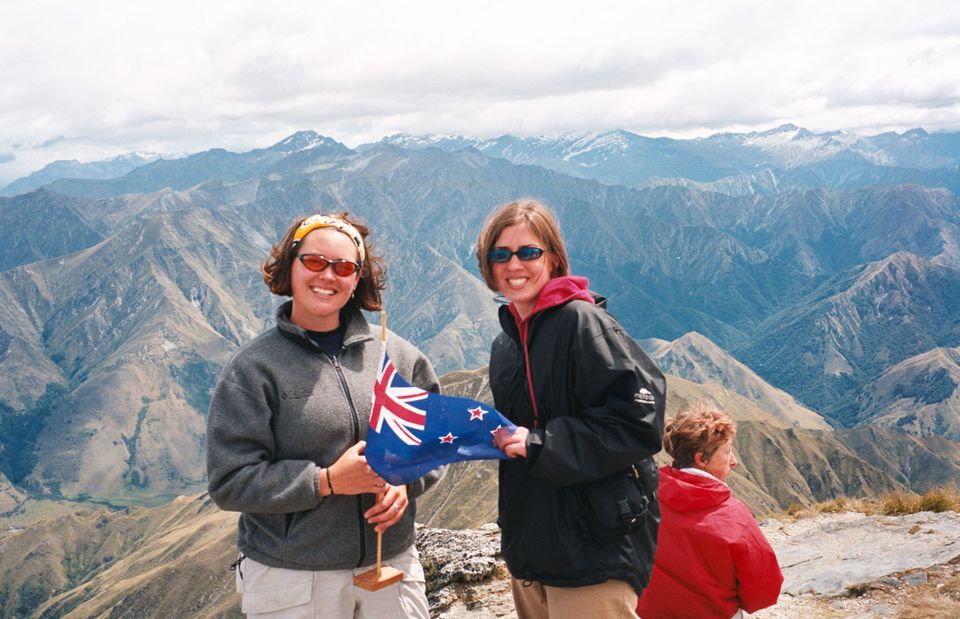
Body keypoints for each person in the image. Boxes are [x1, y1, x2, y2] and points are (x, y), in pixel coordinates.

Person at [206, 213, 442, 618]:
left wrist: (406, 481)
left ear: (357, 279)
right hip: (292, 580)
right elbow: (230, 481)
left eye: (344, 267)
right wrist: (327, 482)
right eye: (314, 261)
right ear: (291, 266)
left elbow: (434, 438)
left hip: (391, 567)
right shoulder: (252, 369)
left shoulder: (398, 356)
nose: (328, 276)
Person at [476, 198, 667, 618]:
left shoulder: (583, 323)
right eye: (500, 254)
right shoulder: (506, 344)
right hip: (532, 552)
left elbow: (640, 425)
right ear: (487, 264)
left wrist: (540, 443)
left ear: (554, 258)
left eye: (529, 252)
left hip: (593, 552)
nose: (515, 265)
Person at [636, 403, 783, 618]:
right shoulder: (733, 515)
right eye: (727, 451)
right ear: (702, 460)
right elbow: (763, 592)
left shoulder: (645, 500)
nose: (734, 461)